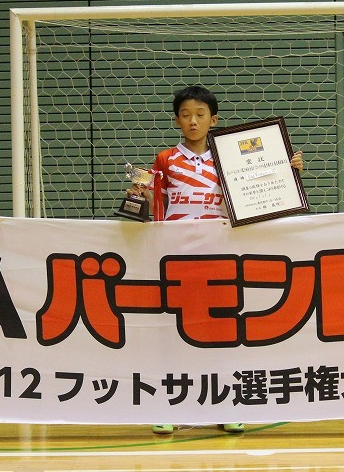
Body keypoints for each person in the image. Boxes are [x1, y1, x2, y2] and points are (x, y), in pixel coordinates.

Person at [127, 85, 304, 435]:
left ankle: (226, 406)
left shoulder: (229, 158)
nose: (193, 121)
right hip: (176, 259)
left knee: (223, 331)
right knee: (174, 332)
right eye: (185, 115)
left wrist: (289, 171)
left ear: (214, 119)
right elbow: (154, 204)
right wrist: (137, 194)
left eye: (200, 114)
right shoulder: (166, 159)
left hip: (221, 257)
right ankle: (170, 406)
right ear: (176, 120)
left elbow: (262, 190)